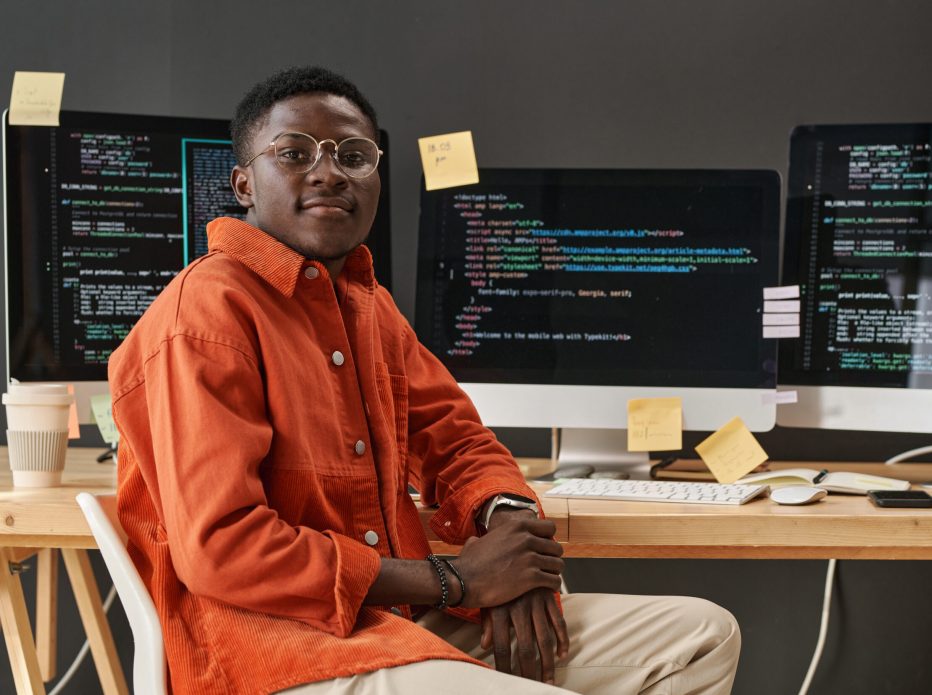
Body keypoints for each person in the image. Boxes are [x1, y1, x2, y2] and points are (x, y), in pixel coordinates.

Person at [109, 65, 741, 695]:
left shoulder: (366, 305)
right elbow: (223, 547)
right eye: (294, 153)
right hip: (276, 651)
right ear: (244, 183)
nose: (329, 172)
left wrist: (509, 543)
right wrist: (458, 581)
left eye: (354, 155)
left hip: (397, 624)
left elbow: (459, 439)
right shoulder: (205, 313)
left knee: (703, 637)